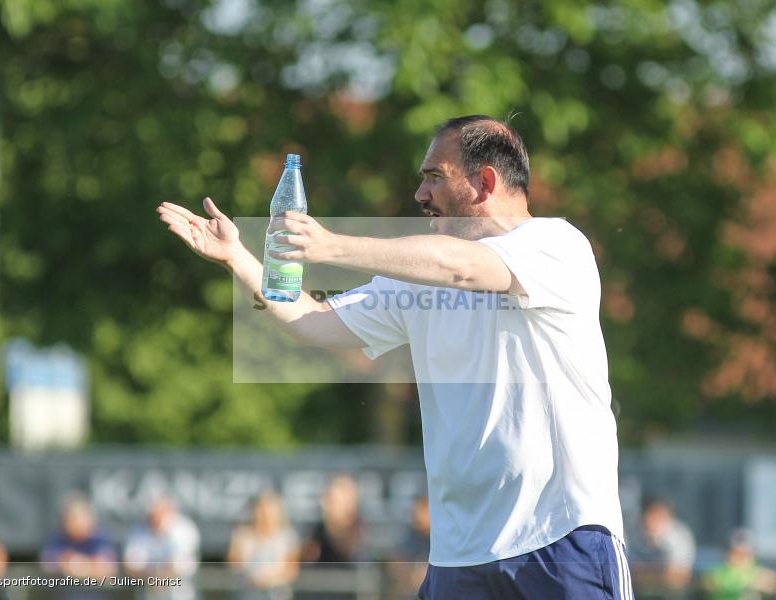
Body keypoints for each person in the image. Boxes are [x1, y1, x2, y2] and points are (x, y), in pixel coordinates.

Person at [158, 114, 633, 599]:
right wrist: (237, 257)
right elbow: (313, 322)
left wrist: (331, 246)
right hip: (458, 554)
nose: (419, 195)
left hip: (560, 537)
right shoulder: (419, 276)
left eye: (433, 177)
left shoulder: (555, 245)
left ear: (485, 181)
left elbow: (463, 269)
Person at [40, 493, 117, 600]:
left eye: (83, 517)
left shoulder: (99, 540)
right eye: (72, 519)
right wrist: (68, 563)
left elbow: (107, 569)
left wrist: (80, 566)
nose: (78, 523)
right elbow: (48, 565)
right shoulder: (58, 539)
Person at [227, 491, 300, 600]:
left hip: (276, 592)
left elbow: (291, 570)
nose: (265, 514)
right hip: (248, 591)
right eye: (261, 509)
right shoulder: (242, 535)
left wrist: (268, 579)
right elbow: (233, 564)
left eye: (269, 510)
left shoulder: (288, 537)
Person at [123, 496, 200, 600]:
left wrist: (161, 577)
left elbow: (181, 565)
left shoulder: (184, 529)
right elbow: (131, 565)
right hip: (148, 593)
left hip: (180, 594)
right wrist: (152, 576)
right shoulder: (139, 530)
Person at [628, 498, 696, 599]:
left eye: (658, 516)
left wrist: (645, 572)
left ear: (668, 517)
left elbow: (680, 577)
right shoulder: (632, 534)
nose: (652, 521)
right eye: (651, 515)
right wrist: (663, 572)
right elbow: (628, 572)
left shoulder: (681, 535)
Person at [701, 529, 776, 600]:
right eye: (736, 553)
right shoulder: (717, 571)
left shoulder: (757, 572)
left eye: (745, 554)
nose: (740, 558)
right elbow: (708, 583)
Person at [389, 495, 430, 600]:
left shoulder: (440, 539)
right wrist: (411, 574)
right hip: (411, 591)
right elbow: (396, 564)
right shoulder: (409, 536)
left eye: (423, 510)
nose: (418, 515)